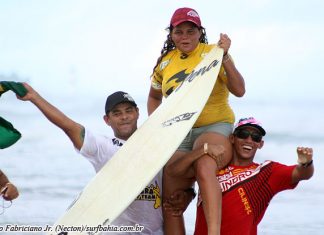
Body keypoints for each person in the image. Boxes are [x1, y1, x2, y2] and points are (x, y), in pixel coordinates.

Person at [16, 83, 194, 234]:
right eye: (117, 113)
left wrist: (189, 194)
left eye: (128, 111)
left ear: (137, 113)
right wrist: (34, 97)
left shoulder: (157, 145)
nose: (124, 117)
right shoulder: (103, 146)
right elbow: (67, 126)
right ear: (107, 120)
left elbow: (180, 176)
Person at [147, 7, 245, 235]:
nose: (185, 37)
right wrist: (157, 125)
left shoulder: (214, 54)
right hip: (178, 132)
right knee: (171, 197)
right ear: (171, 34)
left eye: (190, 31)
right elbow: (154, 97)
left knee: (205, 162)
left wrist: (226, 56)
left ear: (200, 32)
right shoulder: (164, 63)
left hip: (214, 126)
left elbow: (239, 90)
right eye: (179, 32)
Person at [167, 116, 314, 235]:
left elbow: (301, 174)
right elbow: (173, 171)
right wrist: (203, 150)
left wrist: (306, 163)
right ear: (232, 138)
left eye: (255, 137)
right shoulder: (213, 166)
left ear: (260, 144)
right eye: (243, 134)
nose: (249, 140)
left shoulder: (266, 172)